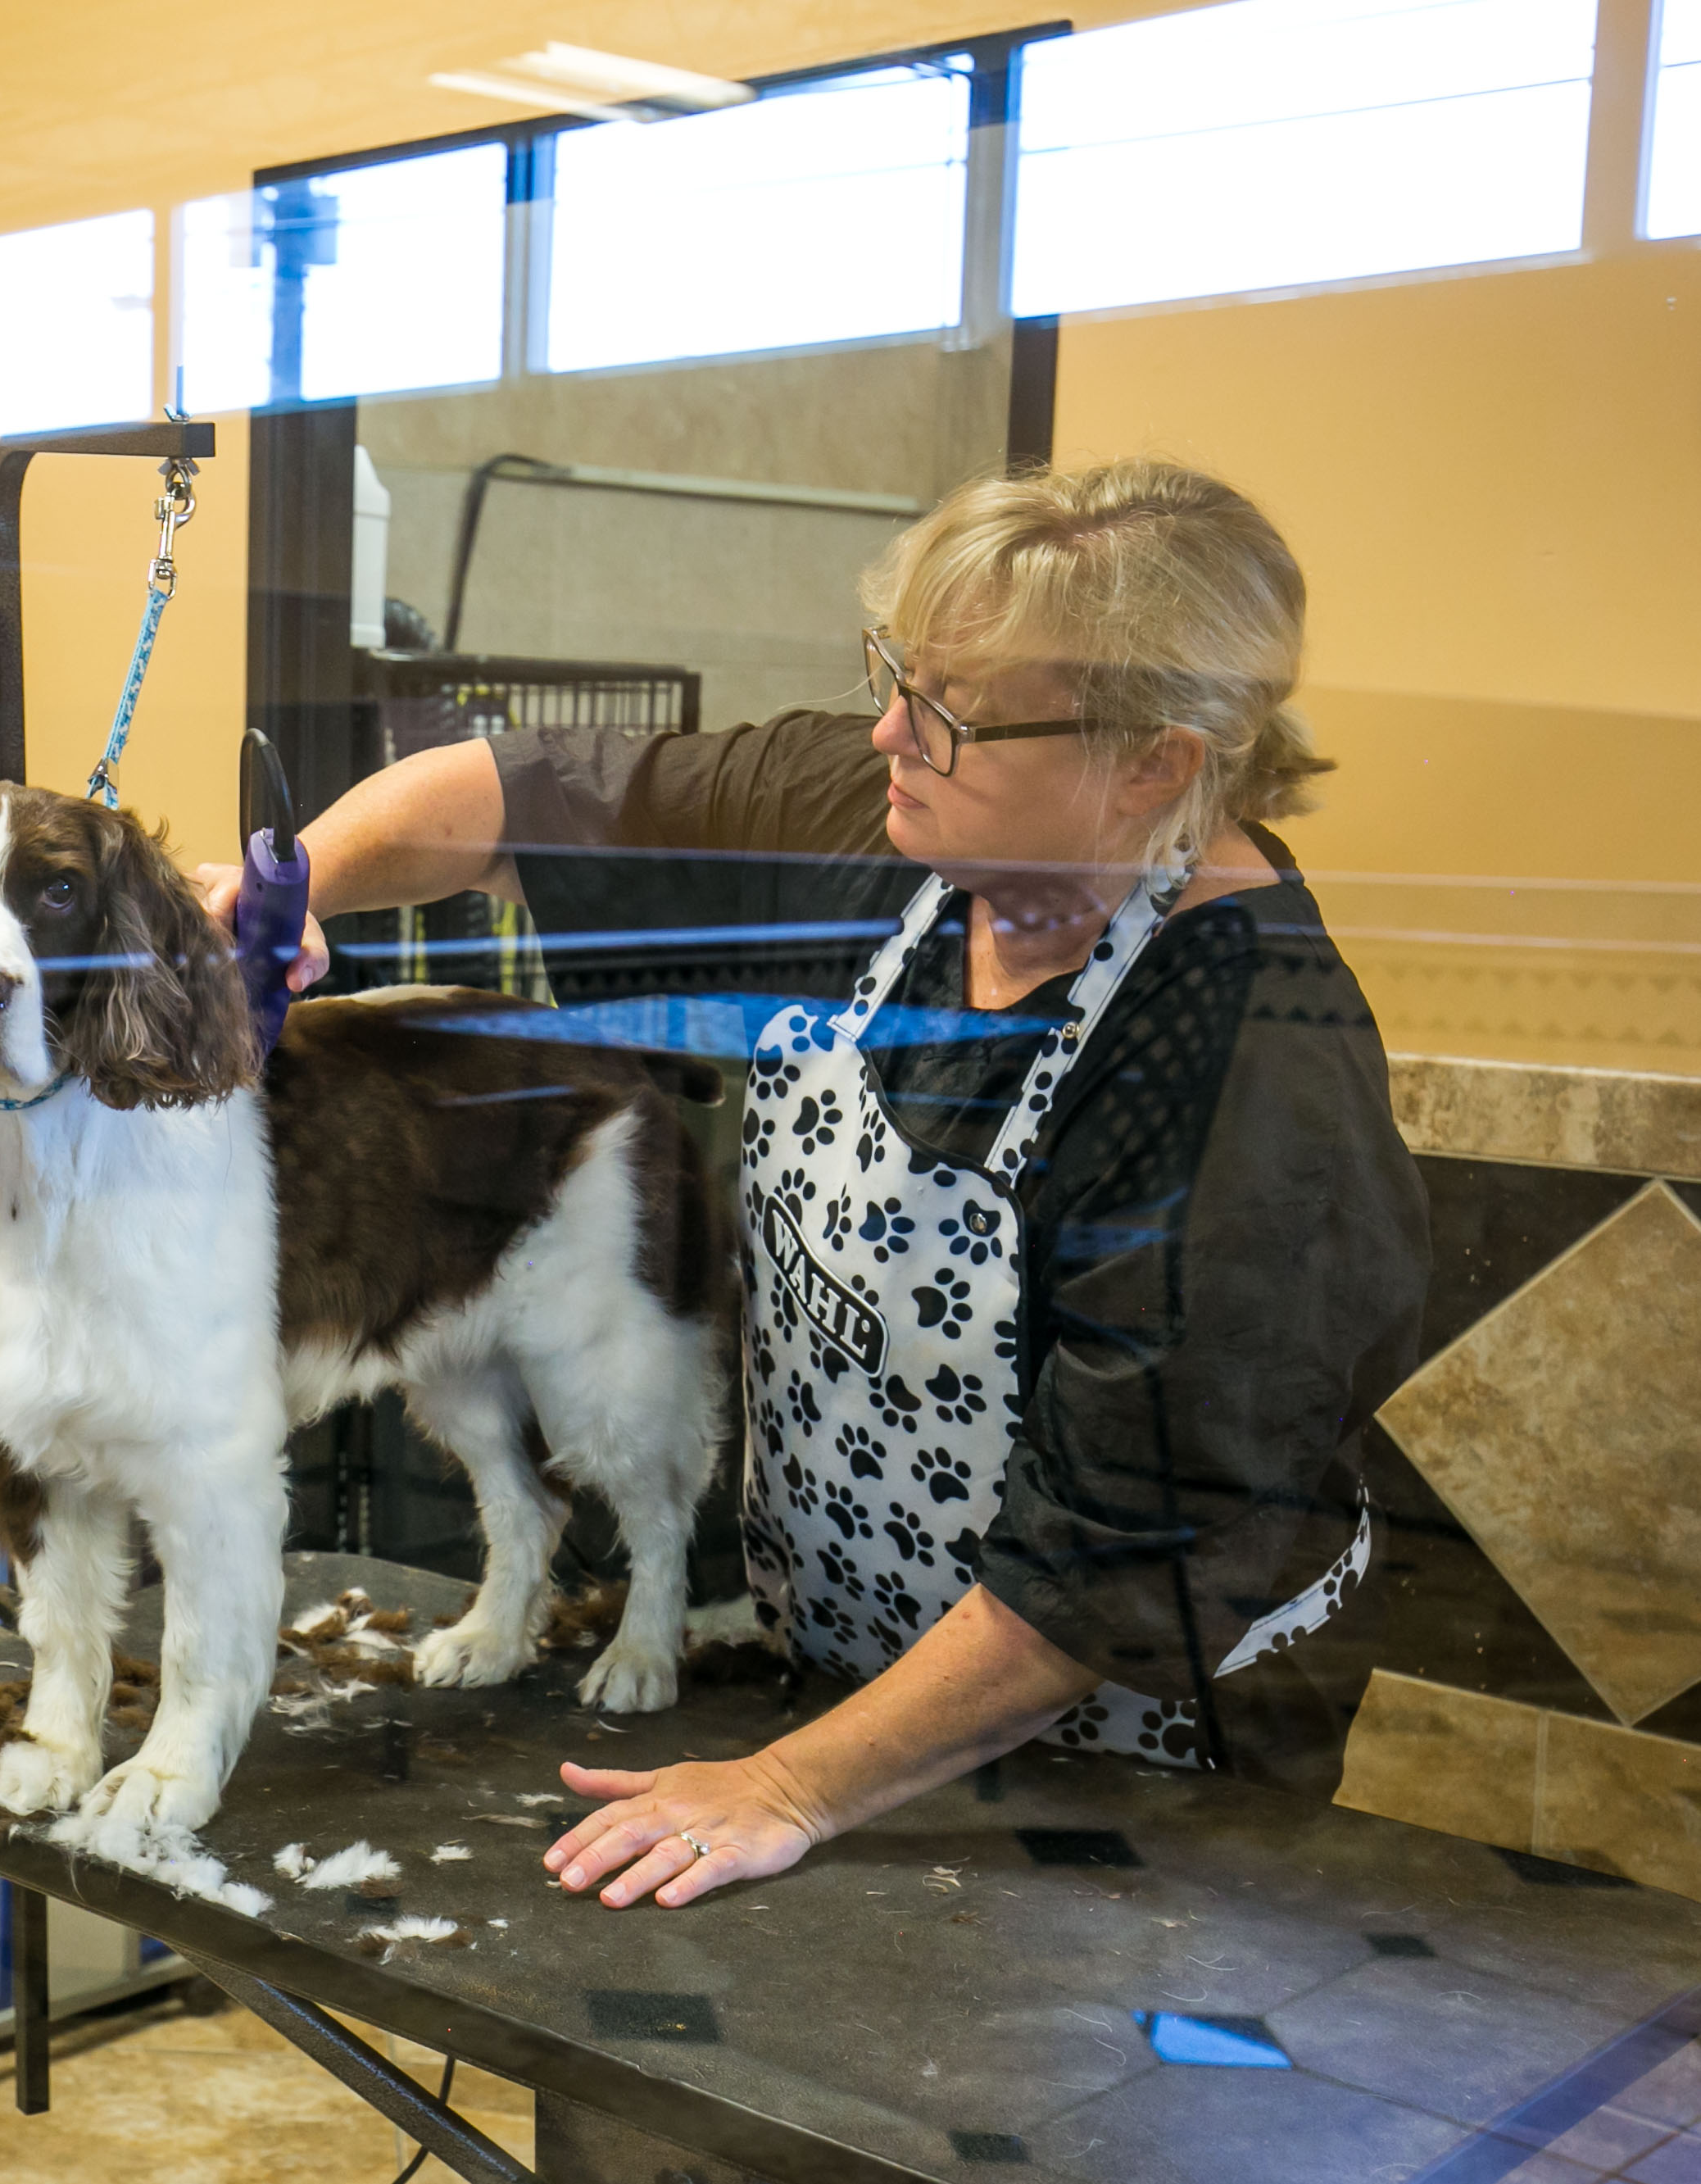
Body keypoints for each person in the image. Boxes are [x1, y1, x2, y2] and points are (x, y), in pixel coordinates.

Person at [201, 459, 1427, 1911]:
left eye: (952, 712)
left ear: (1153, 762)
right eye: (895, 673)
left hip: (1140, 1772)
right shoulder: (889, 823)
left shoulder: (1244, 1071)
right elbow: (514, 798)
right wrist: (287, 892)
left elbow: (1109, 1569)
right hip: (846, 1693)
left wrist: (787, 1786)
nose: (887, 729)